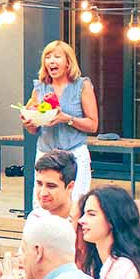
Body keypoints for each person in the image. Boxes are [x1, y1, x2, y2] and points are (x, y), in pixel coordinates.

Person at [21, 40, 99, 207]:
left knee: (76, 205)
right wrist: (29, 122)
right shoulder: (40, 88)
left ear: (68, 62)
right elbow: (34, 129)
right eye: (48, 57)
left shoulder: (82, 85)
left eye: (57, 56)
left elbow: (93, 125)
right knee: (42, 205)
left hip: (74, 155)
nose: (51, 61)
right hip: (45, 155)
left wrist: (67, 119)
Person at [28, 149, 78, 225]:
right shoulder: (35, 218)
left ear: (70, 187)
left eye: (51, 186)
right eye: (39, 184)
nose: (43, 193)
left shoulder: (84, 225)